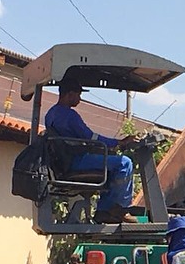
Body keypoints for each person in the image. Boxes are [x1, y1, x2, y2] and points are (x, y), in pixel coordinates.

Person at [44, 77, 138, 224]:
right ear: (70, 94)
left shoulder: (50, 114)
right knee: (124, 163)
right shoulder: (69, 115)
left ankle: (104, 210)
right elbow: (90, 137)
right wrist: (119, 142)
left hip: (63, 162)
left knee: (110, 165)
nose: (80, 99)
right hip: (76, 161)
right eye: (78, 95)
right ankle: (119, 209)